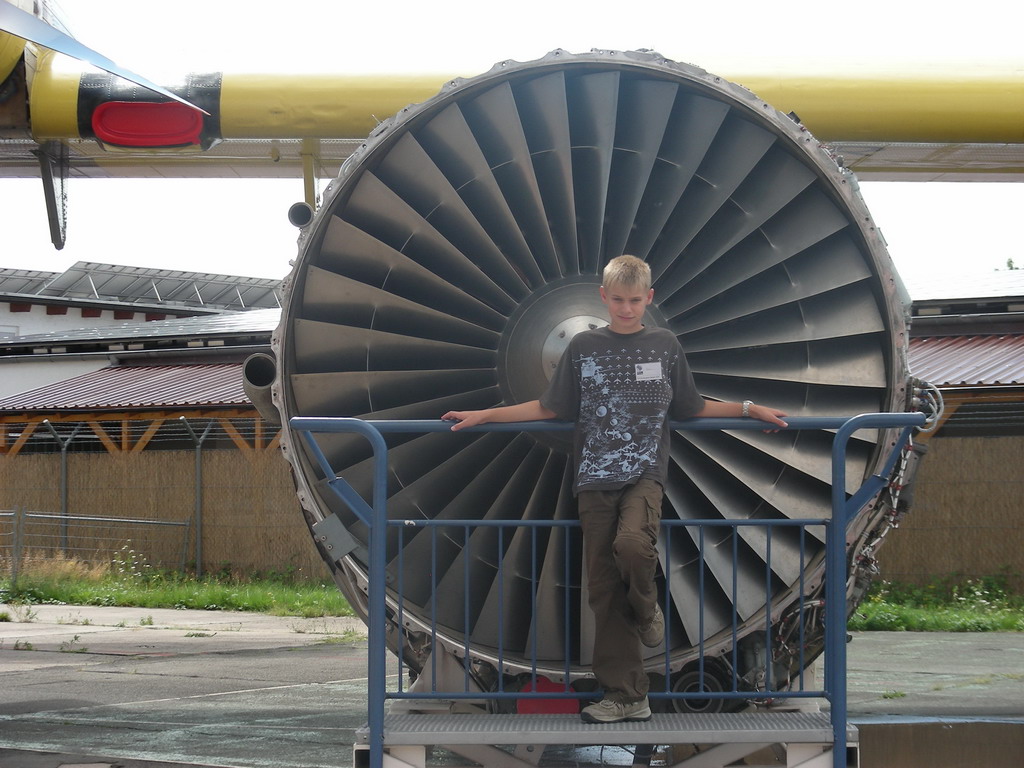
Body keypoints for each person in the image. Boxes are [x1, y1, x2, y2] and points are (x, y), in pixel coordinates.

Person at [442, 255, 788, 724]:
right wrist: (485, 415)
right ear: (603, 297)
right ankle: (626, 696)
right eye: (619, 300)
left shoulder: (664, 346)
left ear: (649, 298)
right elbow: (549, 407)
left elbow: (690, 407)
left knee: (633, 546)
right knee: (605, 591)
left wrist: (748, 408)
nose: (626, 309)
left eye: (635, 300)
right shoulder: (583, 347)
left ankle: (646, 611)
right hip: (593, 480)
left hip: (644, 474)